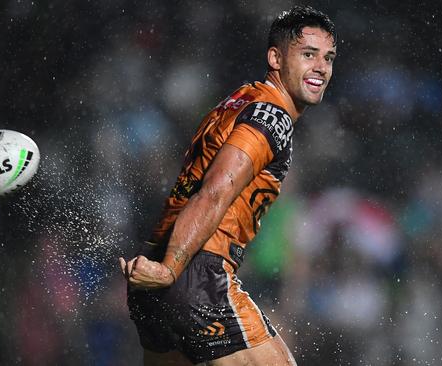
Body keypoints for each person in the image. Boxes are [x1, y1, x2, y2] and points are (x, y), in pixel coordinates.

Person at [120, 5, 337, 365]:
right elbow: (216, 190)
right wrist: (171, 269)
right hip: (192, 272)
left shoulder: (237, 101)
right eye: (308, 55)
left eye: (328, 58)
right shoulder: (272, 115)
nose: (321, 68)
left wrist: (163, 268)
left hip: (156, 275)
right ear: (276, 58)